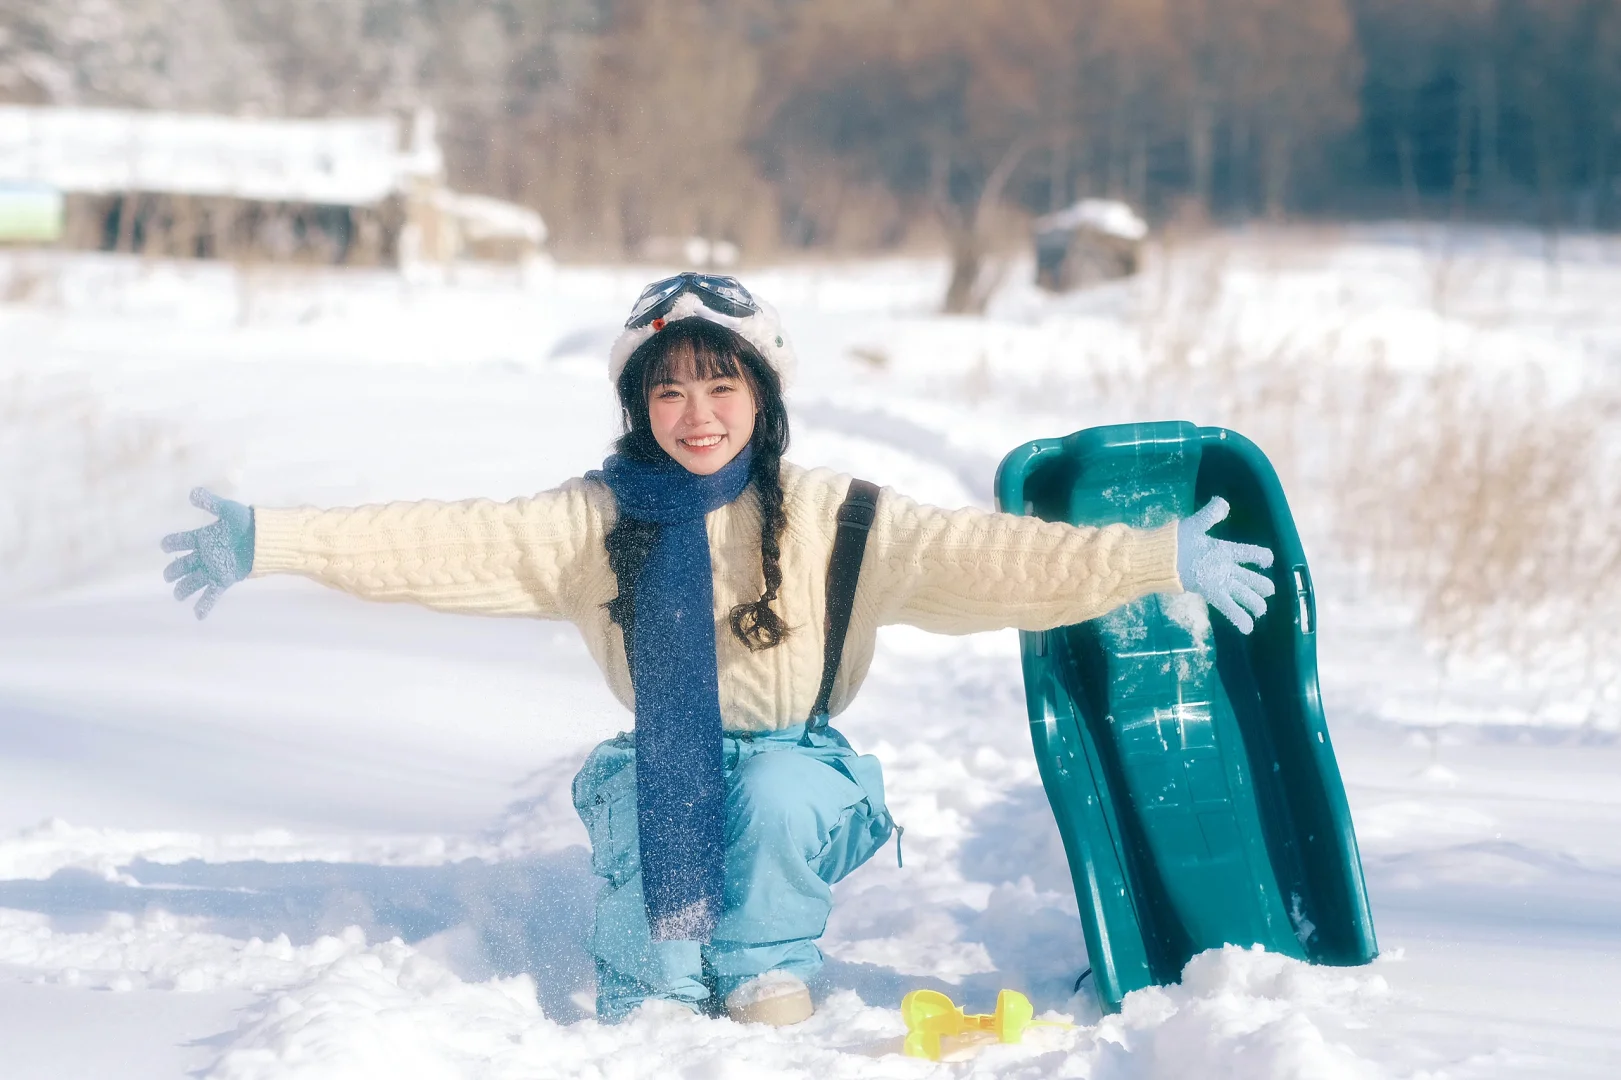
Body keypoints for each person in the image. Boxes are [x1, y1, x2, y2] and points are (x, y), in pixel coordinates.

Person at [160, 273, 1275, 1026]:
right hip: (661, 769)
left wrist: (1149, 559)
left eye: (722, 382)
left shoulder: (840, 518)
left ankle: (768, 974)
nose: (698, 413)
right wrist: (278, 540)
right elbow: (450, 539)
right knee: (655, 970)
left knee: (782, 798)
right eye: (670, 389)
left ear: (763, 393)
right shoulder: (600, 519)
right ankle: (659, 975)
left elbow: (993, 556)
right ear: (641, 404)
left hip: (801, 768)